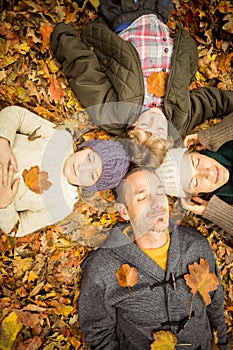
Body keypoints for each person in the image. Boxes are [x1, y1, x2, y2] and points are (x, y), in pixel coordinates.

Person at [78, 167, 228, 349]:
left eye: (159, 193)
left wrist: (222, 344)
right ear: (124, 211)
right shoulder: (101, 267)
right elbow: (98, 333)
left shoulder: (196, 245)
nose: (157, 203)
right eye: (142, 198)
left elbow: (215, 303)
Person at [50, 0, 233, 139]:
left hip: (125, 17)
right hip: (159, 15)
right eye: (160, 129)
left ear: (131, 131)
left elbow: (85, 73)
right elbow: (210, 103)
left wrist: (63, 37)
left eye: (145, 127)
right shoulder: (179, 118)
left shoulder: (114, 114)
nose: (153, 118)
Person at [0, 105, 132, 237]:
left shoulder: (62, 206)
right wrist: (3, 142)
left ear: (91, 186)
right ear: (87, 148)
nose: (82, 168)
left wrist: (5, 204)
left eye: (92, 175)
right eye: (89, 158)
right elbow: (17, 115)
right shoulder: (60, 140)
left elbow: (18, 228)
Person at [154, 112, 233, 242]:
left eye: (197, 162)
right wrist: (218, 214)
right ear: (195, 194)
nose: (208, 173)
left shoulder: (224, 141)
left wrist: (212, 136)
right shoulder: (217, 209)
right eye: (195, 182)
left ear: (196, 151)